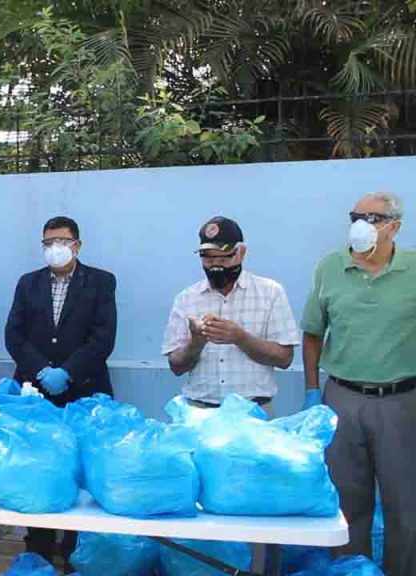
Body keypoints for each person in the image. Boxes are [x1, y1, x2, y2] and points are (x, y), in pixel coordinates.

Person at [301, 191, 416, 576]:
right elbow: (313, 333)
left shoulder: (413, 269)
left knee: (405, 506)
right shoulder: (330, 268)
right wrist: (312, 392)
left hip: (402, 401)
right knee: (347, 505)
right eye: (356, 215)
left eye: (374, 217)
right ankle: (350, 571)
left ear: (395, 227)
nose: (362, 223)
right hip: (342, 398)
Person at [4, 216, 116, 571]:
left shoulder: (100, 282)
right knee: (38, 468)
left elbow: (103, 337)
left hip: (83, 390)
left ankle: (72, 546)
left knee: (79, 468)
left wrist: (67, 372)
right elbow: (14, 335)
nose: (55, 248)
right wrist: (40, 372)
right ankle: (37, 545)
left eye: (62, 241)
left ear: (77, 245)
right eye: (48, 241)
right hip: (36, 394)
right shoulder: (28, 283)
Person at [162, 216, 299, 416]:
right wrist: (197, 342)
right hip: (201, 413)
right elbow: (176, 367)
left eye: (224, 257)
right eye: (208, 258)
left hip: (253, 413)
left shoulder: (270, 293)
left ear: (241, 253)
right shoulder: (186, 298)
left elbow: (284, 359)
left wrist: (239, 337)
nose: (216, 265)